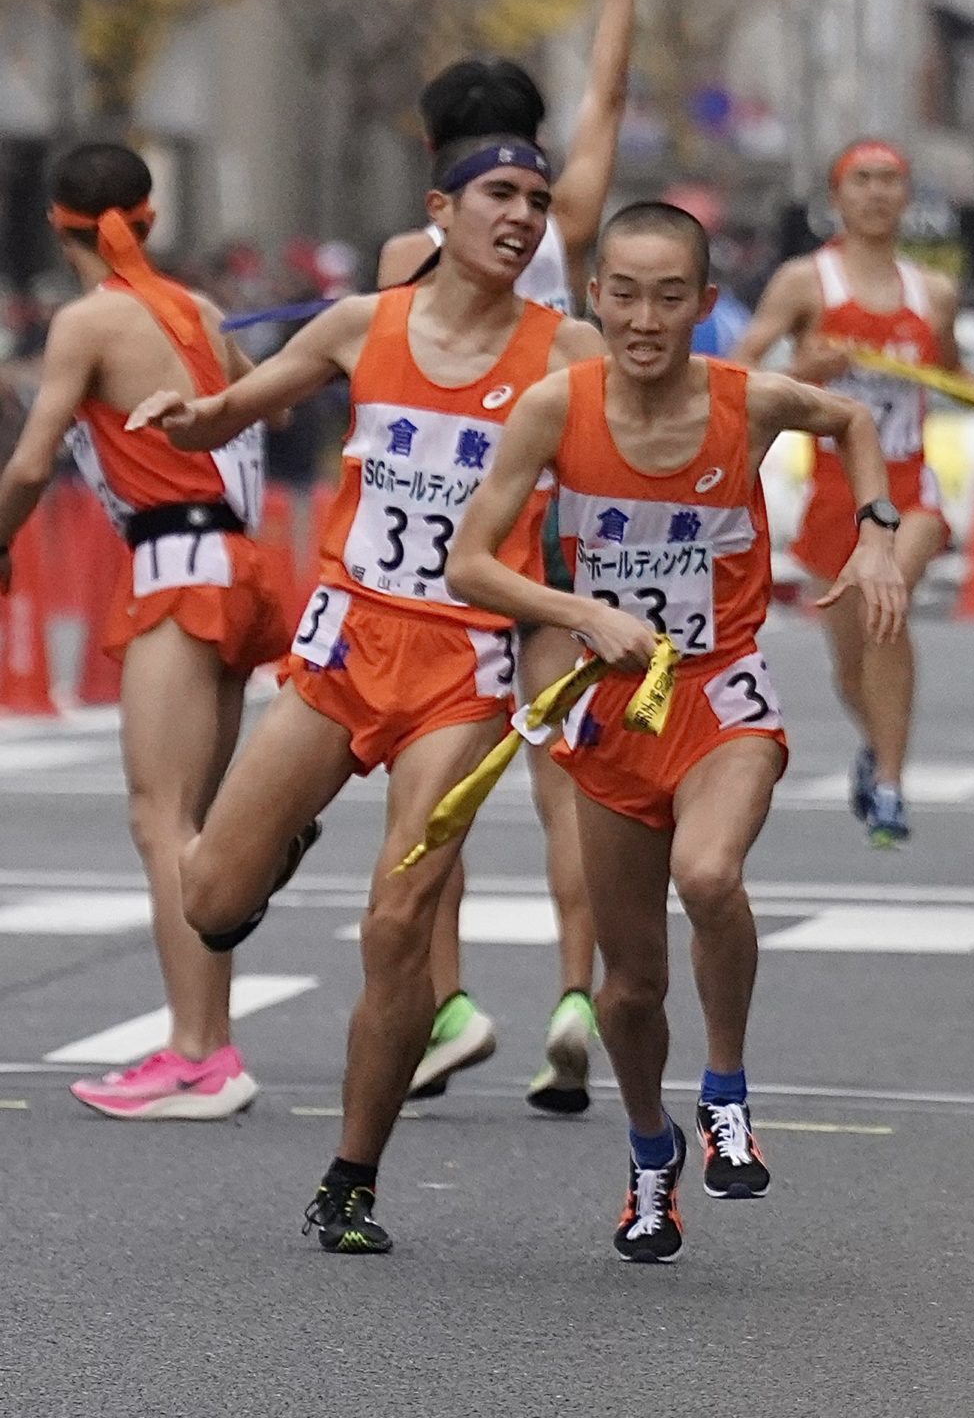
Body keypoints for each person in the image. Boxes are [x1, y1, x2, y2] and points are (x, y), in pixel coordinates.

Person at [129, 136, 605, 1252]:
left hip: (464, 669)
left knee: (395, 922)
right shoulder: (362, 325)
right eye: (500, 194)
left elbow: (642, 448)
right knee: (209, 900)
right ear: (440, 207)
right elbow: (242, 406)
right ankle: (279, 840)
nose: (523, 217)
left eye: (539, 201)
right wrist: (188, 419)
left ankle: (352, 1176)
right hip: (346, 645)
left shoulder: (563, 350)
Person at [445, 201, 905, 1261]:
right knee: (630, 985)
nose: (644, 318)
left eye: (668, 296)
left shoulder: (745, 402)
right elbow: (470, 562)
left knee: (707, 876)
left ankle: (727, 1094)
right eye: (624, 292)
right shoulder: (556, 409)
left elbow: (853, 423)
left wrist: (875, 534)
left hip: (719, 692)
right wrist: (578, 614)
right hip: (611, 713)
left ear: (702, 305)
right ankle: (650, 1150)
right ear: (593, 297)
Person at [379, 0, 688, 1115]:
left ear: (430, 154)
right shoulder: (557, 223)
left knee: (429, 782)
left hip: (446, 557)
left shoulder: (422, 256)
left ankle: (446, 1000)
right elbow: (605, 98)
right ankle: (574, 988)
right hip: (553, 540)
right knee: (570, 778)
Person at [0, 142, 302, 1119]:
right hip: (237, 564)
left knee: (159, 817)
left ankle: (192, 1056)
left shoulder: (84, 321)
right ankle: (207, 1050)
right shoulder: (202, 312)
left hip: (175, 570)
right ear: (151, 220)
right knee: (196, 831)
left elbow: (32, 463)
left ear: (59, 223)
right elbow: (273, 396)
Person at [733, 139, 960, 845]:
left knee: (887, 603)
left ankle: (891, 783)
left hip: (910, 493)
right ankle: (875, 749)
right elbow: (740, 373)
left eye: (890, 180)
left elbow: (950, 377)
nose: (876, 193)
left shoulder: (935, 292)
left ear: (906, 194)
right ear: (838, 196)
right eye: (861, 180)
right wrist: (807, 365)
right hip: (838, 500)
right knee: (851, 667)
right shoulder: (807, 282)